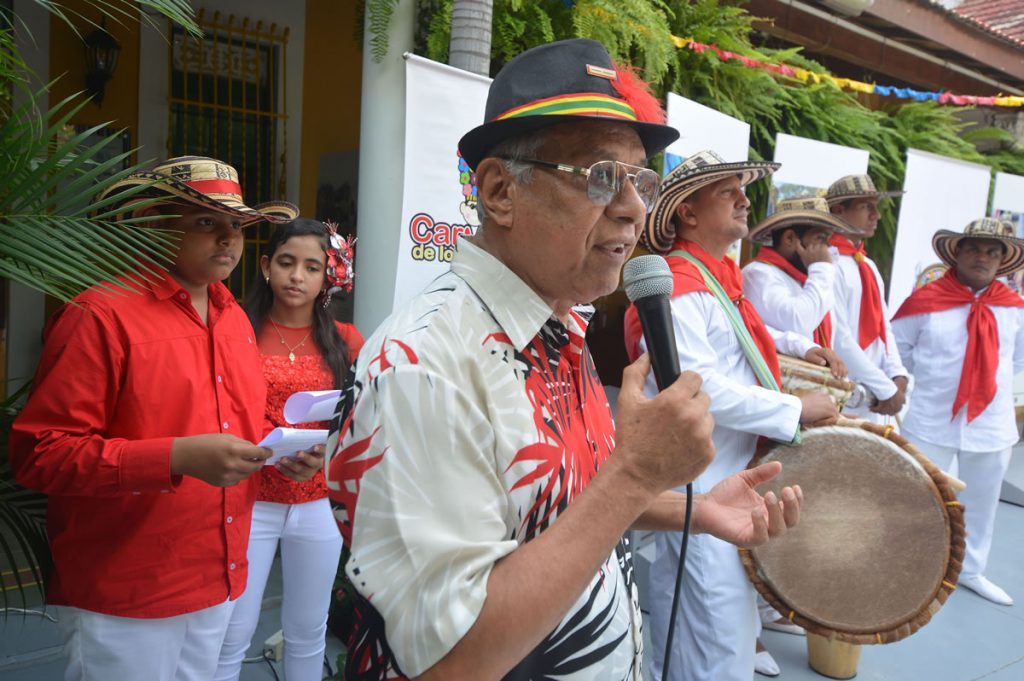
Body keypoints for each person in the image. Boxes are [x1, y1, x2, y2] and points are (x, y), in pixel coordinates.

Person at [325, 39, 804, 681]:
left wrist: (694, 509)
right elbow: (451, 662)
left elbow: (560, 502)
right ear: (499, 192)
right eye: (601, 176)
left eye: (640, 179)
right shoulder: (423, 365)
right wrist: (634, 476)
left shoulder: (558, 324)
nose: (634, 208)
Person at [8, 156, 316, 681]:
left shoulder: (235, 319)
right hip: (128, 588)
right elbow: (42, 455)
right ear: (153, 225)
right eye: (205, 222)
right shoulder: (99, 316)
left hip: (218, 574)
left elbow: (236, 436)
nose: (228, 239)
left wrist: (278, 458)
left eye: (237, 226)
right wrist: (175, 458)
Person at [624, 150, 839, 681]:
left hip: (733, 482)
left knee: (721, 639)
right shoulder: (678, 285)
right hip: (702, 485)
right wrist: (794, 407)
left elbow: (742, 348)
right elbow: (695, 389)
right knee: (710, 643)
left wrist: (796, 350)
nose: (745, 199)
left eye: (744, 189)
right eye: (729, 191)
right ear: (688, 214)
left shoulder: (717, 280)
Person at [215, 218, 364, 680]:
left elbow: (362, 419)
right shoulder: (233, 329)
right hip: (247, 498)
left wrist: (328, 452)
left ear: (329, 276)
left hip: (317, 500)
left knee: (307, 629)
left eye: (312, 267)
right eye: (286, 262)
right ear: (265, 266)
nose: (297, 276)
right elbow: (220, 405)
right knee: (231, 632)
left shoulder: (345, 340)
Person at [892, 217, 1024, 607]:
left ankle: (972, 571)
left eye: (992, 251)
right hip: (931, 418)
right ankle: (906, 566)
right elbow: (900, 352)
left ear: (1003, 261)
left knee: (983, 502)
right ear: (958, 254)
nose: (982, 257)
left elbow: (1016, 360)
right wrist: (938, 384)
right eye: (974, 248)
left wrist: (984, 386)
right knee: (916, 495)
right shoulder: (925, 301)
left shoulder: (1014, 308)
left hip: (991, 422)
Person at [743, 196, 857, 378]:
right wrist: (821, 268)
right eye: (820, 239)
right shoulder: (758, 273)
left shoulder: (808, 278)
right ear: (789, 239)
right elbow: (798, 324)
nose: (827, 248)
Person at [826, 174, 910, 422]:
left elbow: (884, 328)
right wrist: (885, 387)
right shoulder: (828, 264)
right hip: (846, 393)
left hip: (878, 394)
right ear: (839, 210)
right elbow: (838, 338)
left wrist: (897, 375)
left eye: (876, 207)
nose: (877, 215)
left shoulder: (868, 265)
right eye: (866, 207)